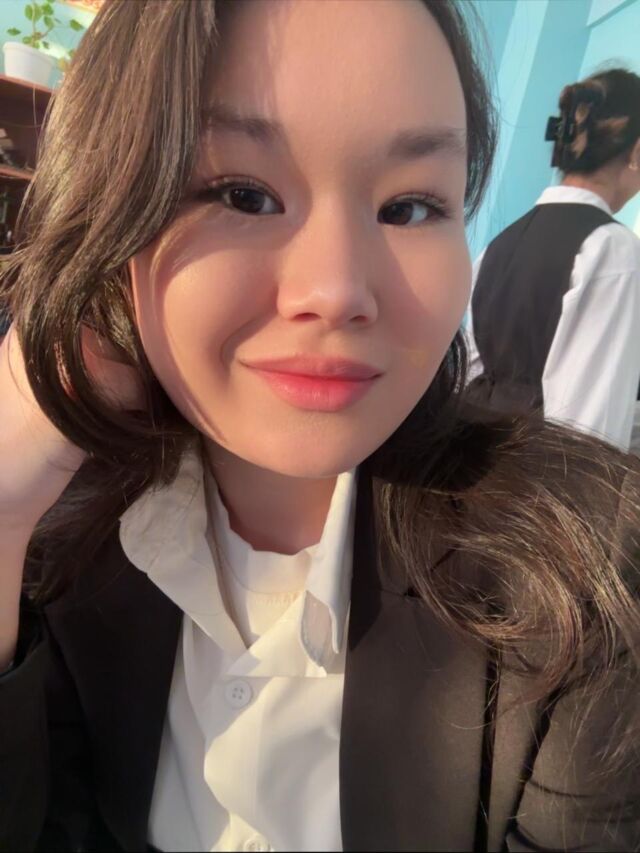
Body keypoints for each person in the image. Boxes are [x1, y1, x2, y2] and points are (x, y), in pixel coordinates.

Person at [0, 2, 639, 851]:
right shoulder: (57, 532)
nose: (338, 290)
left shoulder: (589, 574)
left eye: (410, 207)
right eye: (244, 194)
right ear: (106, 217)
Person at [467, 69, 640, 451]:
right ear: (636, 152)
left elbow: (473, 374)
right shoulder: (613, 250)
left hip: (477, 462)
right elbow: (590, 436)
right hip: (542, 477)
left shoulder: (498, 246)